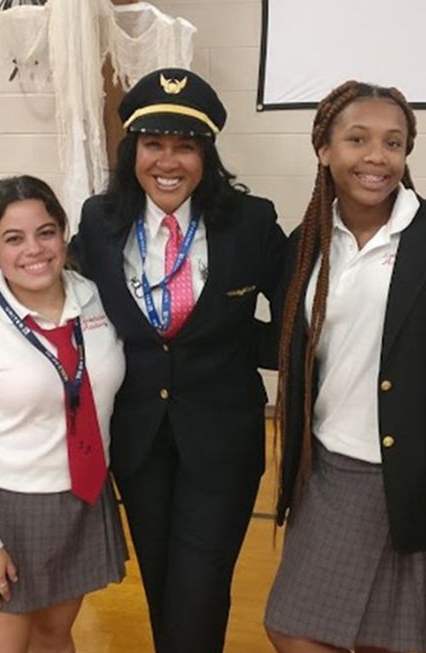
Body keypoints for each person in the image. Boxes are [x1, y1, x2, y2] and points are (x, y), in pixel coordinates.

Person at [69, 67, 286, 653]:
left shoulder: (250, 221)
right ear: (131, 150)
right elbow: (67, 308)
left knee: (200, 585)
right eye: (153, 144)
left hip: (222, 439)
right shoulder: (99, 220)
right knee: (162, 584)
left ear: (207, 154)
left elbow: (296, 316)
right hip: (139, 440)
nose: (168, 162)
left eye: (185, 147)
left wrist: (244, 345)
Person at [264, 82, 426, 653]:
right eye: (357, 139)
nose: (376, 157)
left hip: (411, 475)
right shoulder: (308, 242)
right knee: (291, 626)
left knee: (389, 640)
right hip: (331, 470)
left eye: (393, 142)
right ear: (324, 149)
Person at [0, 175, 127, 653]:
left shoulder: (98, 299)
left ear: (63, 234)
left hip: (78, 500)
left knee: (54, 639)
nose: (34, 249)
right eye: (13, 238)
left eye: (46, 232)